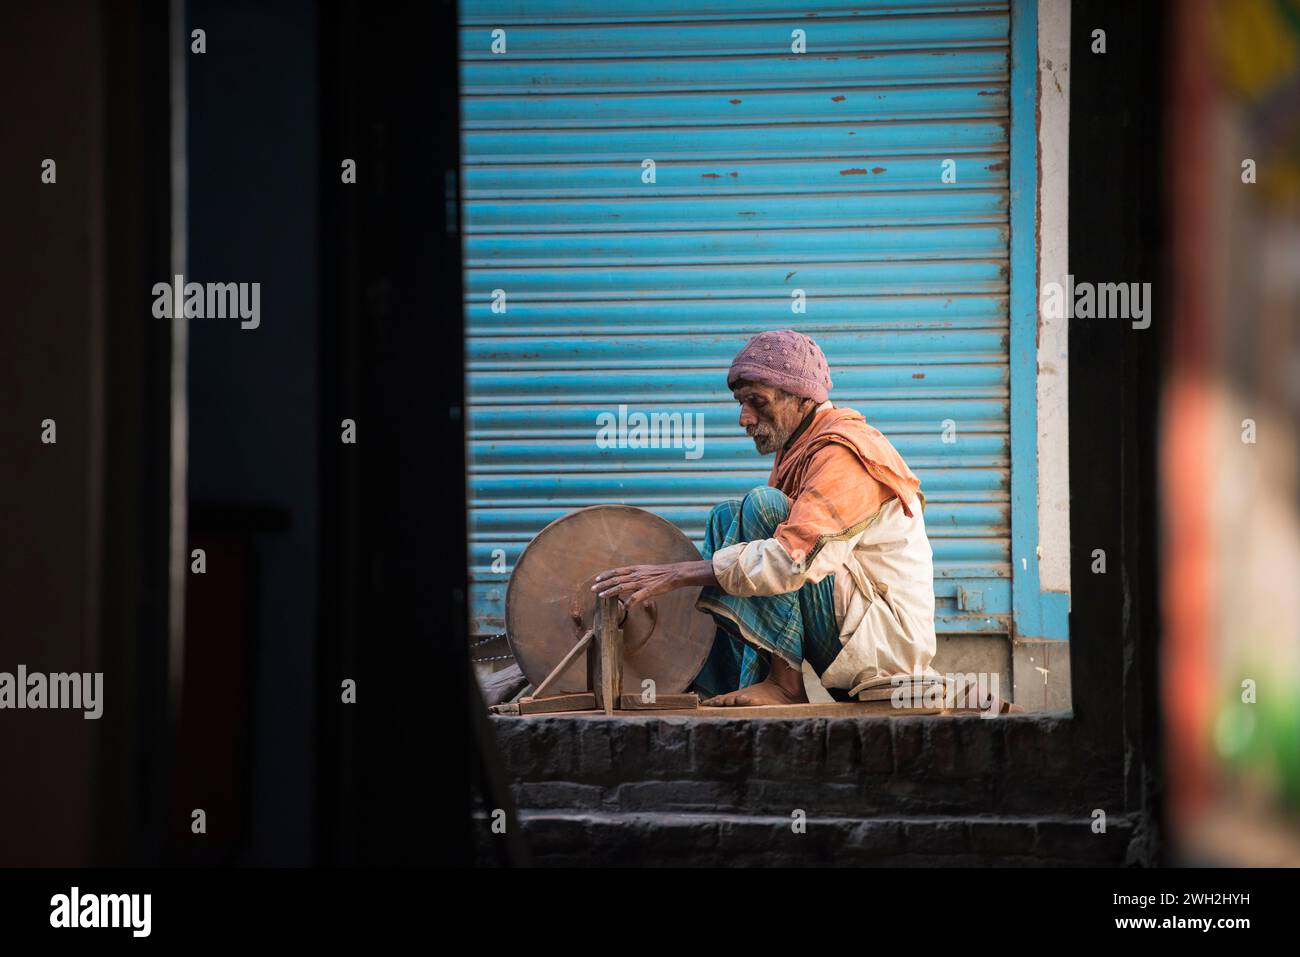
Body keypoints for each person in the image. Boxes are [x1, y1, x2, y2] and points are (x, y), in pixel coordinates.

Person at [594, 329, 939, 706]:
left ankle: (784, 686)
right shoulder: (800, 447)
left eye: (758, 402)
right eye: (741, 403)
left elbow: (794, 560)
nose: (745, 418)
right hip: (849, 625)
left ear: (801, 400)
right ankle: (723, 685)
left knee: (764, 510)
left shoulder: (845, 452)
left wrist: (677, 574)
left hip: (884, 650)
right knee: (726, 518)